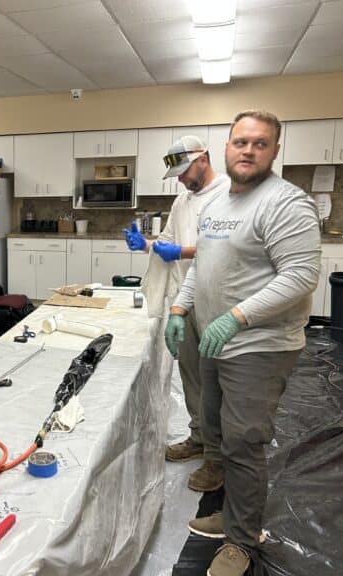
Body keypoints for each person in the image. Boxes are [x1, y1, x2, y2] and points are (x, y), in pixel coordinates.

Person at [165, 110, 320, 576]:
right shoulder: (216, 206)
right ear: (226, 148)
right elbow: (201, 267)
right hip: (215, 340)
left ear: (274, 151)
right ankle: (234, 514)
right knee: (215, 431)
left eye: (260, 143)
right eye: (240, 142)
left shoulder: (286, 203)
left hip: (259, 345)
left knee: (244, 442)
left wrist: (236, 317)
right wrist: (179, 309)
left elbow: (302, 275)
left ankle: (242, 540)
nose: (248, 150)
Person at [124, 135, 230, 492]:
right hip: (186, 298)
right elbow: (169, 239)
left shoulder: (229, 194)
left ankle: (218, 459)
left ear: (204, 159)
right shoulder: (182, 201)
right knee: (191, 375)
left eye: (185, 171)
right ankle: (199, 437)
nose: (183, 179)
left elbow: (222, 248)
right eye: (178, 174)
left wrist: (179, 252)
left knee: (216, 380)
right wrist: (148, 245)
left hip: (218, 302)